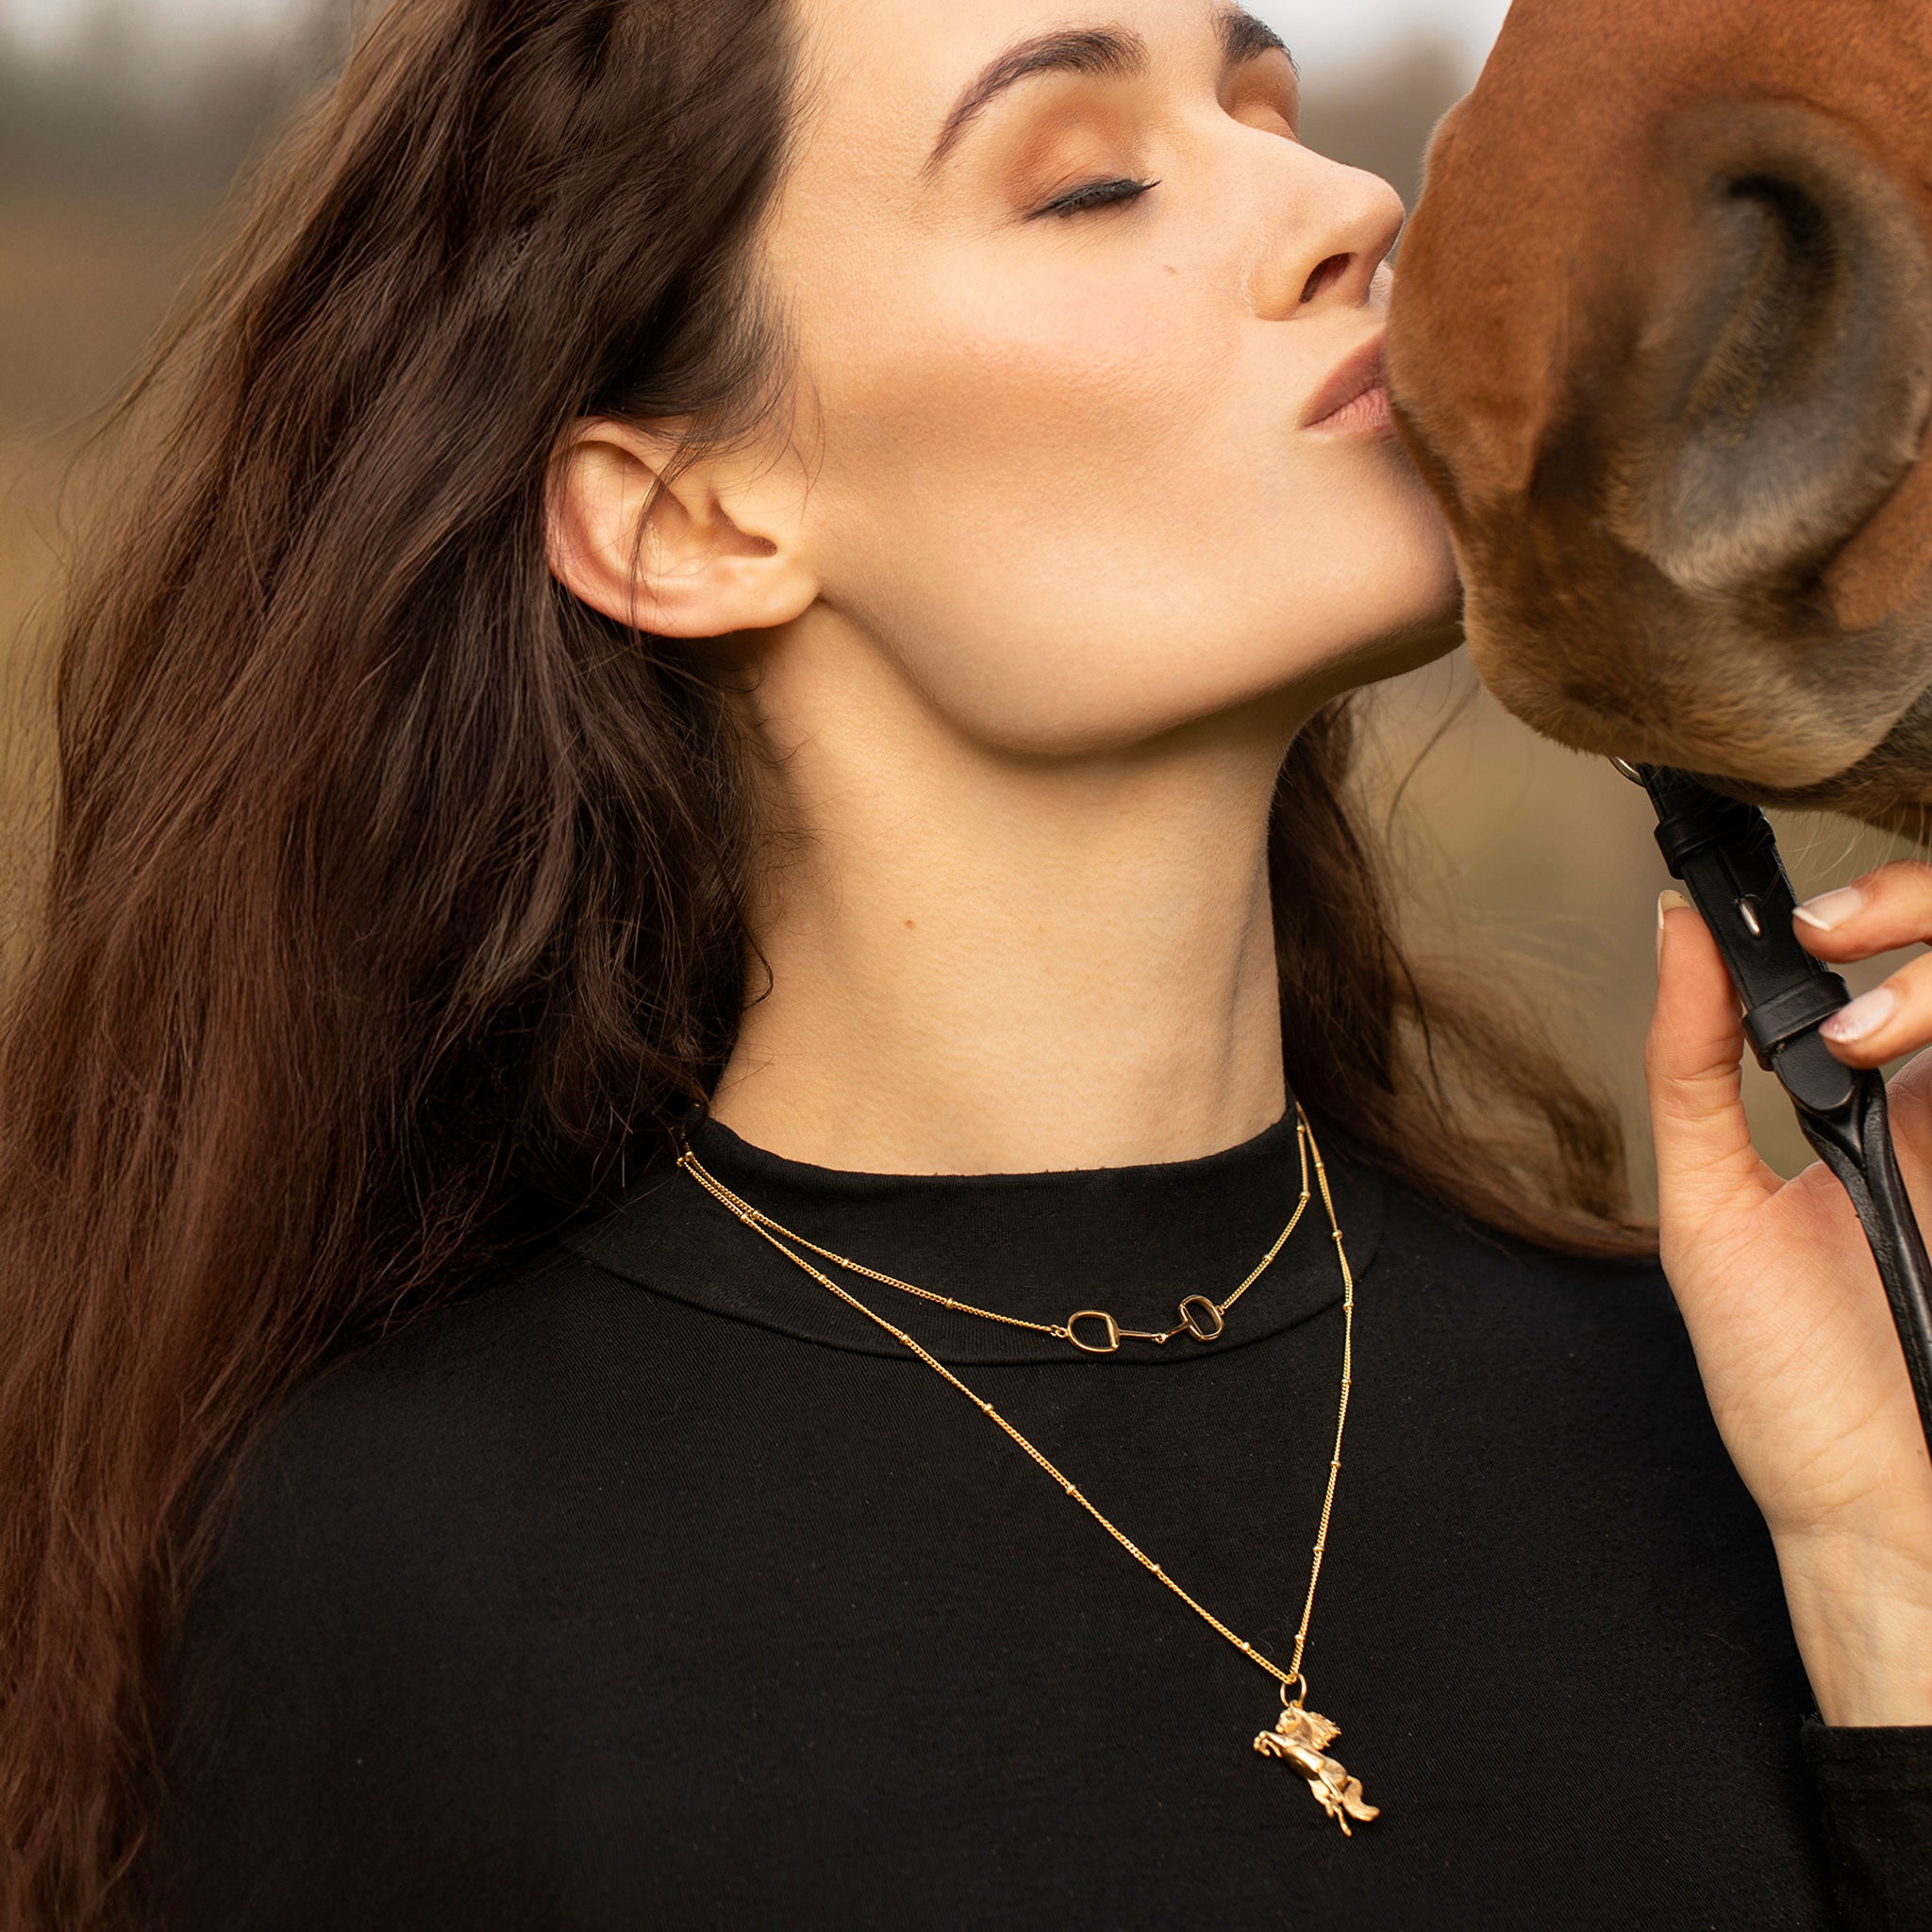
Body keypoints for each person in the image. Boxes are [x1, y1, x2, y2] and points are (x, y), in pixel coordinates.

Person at [0, 0, 1926, 1925]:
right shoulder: (394, 1580)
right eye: (1087, 184)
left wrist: (1880, 1565)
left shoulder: (1745, 1415)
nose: (1350, 203)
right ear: (690, 519)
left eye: (1270, 111)